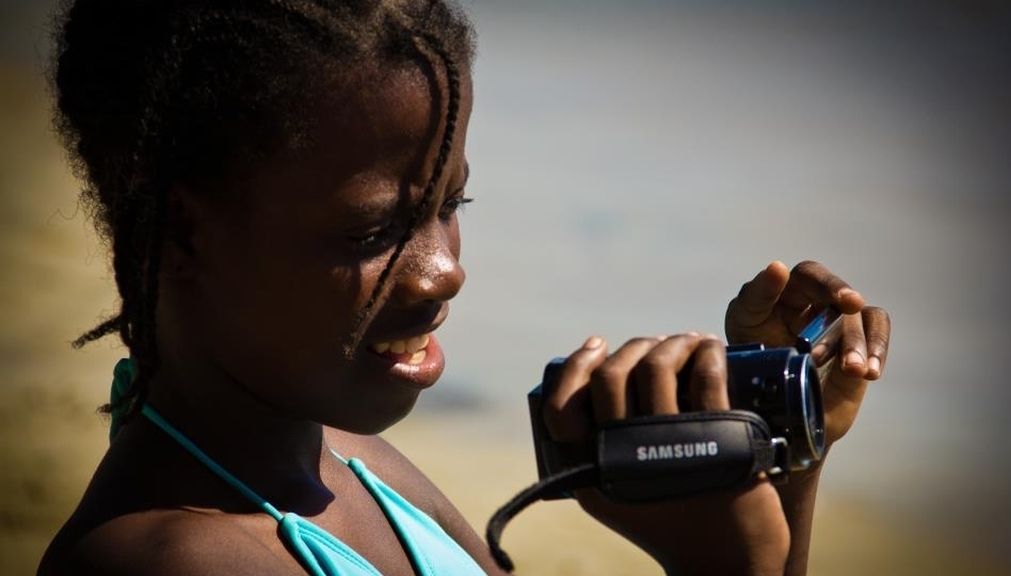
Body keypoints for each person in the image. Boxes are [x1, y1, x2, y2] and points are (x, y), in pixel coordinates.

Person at [38, 1, 891, 575]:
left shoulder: (349, 462)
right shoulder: (178, 561)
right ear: (186, 231)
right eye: (374, 232)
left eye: (452, 204)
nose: (447, 269)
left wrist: (779, 451)